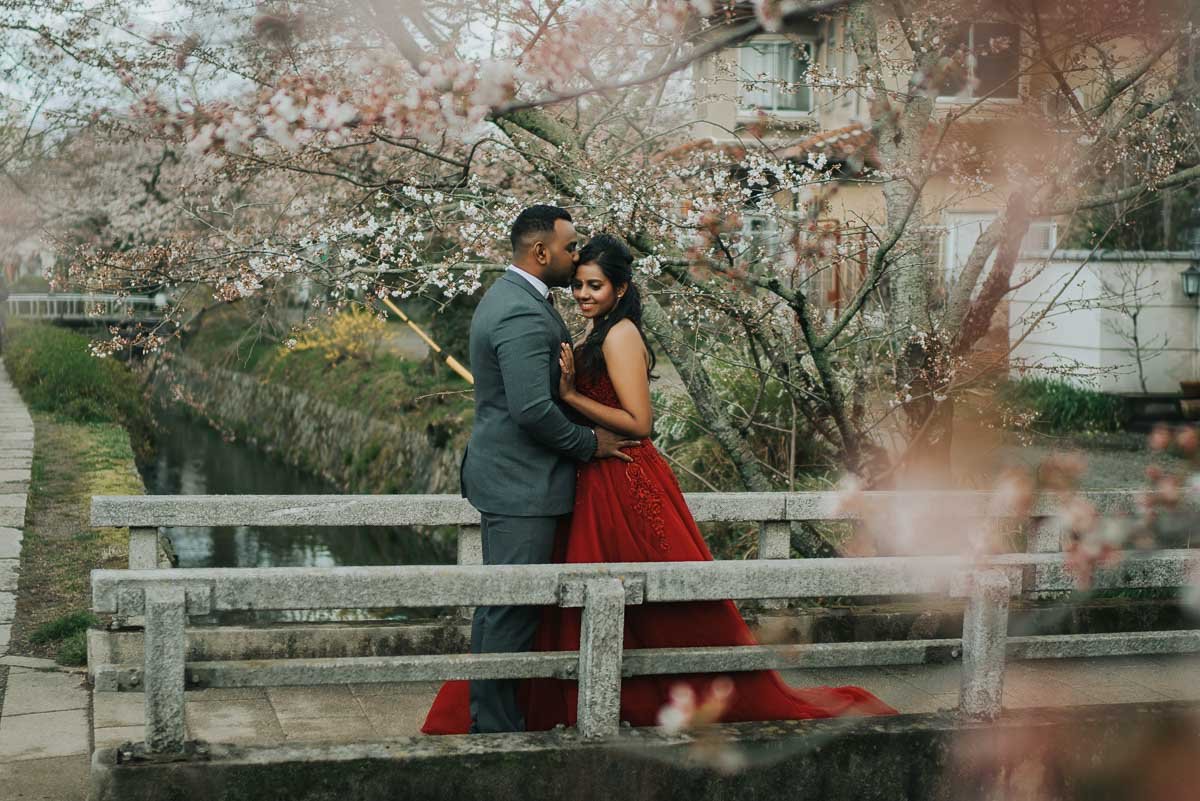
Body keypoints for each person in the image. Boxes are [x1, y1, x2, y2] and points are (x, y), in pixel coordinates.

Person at [422, 233, 896, 735]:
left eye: (595, 286)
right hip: (592, 478)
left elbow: (638, 421)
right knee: (574, 598)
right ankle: (568, 699)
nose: (583, 294)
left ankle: (657, 694)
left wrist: (569, 397)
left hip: (622, 475)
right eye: (580, 285)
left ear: (621, 289)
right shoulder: (591, 330)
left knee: (652, 599)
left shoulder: (621, 334)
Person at [457, 207, 639, 734]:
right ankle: (494, 729)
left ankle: (497, 718)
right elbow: (532, 409)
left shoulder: (519, 299)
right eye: (570, 246)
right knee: (511, 607)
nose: (577, 253)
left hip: (517, 478)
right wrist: (589, 444)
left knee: (505, 605)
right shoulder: (520, 312)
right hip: (520, 484)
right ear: (541, 253)